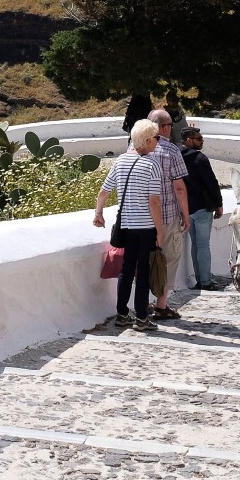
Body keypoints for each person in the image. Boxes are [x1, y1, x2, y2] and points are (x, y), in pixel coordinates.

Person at [94, 119, 165, 332]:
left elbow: (104, 191)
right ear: (148, 140)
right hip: (145, 227)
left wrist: (98, 213)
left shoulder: (121, 161)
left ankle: (122, 314)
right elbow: (154, 202)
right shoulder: (153, 165)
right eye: (156, 138)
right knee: (142, 271)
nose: (158, 142)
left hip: (126, 225)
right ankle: (142, 317)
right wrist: (159, 230)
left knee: (126, 269)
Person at [147, 108, 191, 319]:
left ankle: (142, 301)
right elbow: (179, 188)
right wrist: (186, 214)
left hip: (141, 217)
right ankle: (161, 305)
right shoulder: (172, 151)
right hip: (166, 217)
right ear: (165, 128)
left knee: (144, 259)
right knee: (168, 259)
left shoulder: (135, 147)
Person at [180, 126, 224, 290]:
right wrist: (219, 205)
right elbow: (211, 183)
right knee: (203, 245)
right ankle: (205, 281)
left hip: (186, 209)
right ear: (189, 140)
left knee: (195, 245)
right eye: (199, 139)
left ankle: (199, 279)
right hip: (202, 208)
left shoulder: (177, 156)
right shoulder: (200, 158)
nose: (202, 141)